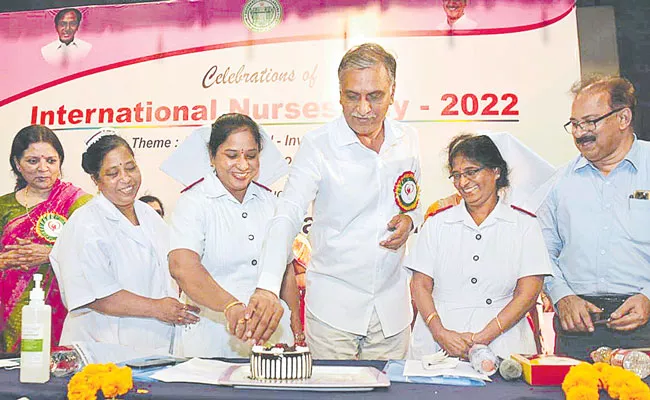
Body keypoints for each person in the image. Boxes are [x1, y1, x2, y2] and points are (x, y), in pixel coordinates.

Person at [243, 43, 422, 360]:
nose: (363, 108)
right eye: (352, 96)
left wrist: (411, 220)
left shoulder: (408, 140)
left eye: (375, 96)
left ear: (392, 92)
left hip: (393, 311)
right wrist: (268, 286)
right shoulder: (318, 145)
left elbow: (412, 199)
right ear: (339, 93)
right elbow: (287, 215)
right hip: (333, 314)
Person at [50, 130, 198, 354]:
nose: (126, 179)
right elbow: (96, 296)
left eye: (130, 168)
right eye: (112, 173)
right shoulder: (85, 224)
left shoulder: (150, 217)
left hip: (152, 349)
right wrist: (157, 308)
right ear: (95, 180)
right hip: (100, 351)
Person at [168, 113, 302, 357]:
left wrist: (296, 327)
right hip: (212, 340)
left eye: (251, 156)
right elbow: (182, 267)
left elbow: (286, 271)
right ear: (212, 156)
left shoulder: (271, 203)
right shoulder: (194, 203)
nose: (243, 165)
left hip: (273, 340)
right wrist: (230, 307)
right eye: (231, 155)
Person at [408, 134, 552, 359]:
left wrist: (483, 337)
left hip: (504, 341)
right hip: (438, 343)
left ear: (496, 171)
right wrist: (440, 333)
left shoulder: (524, 225)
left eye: (471, 172)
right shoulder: (437, 223)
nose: (463, 183)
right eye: (456, 175)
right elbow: (420, 285)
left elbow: (528, 292)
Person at [539, 76, 650, 360]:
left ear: (623, 117)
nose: (580, 133)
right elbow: (541, 251)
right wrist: (562, 296)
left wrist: (648, 297)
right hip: (577, 328)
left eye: (590, 122)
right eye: (574, 124)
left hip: (644, 326)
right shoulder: (558, 182)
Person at [0, 125, 91, 355]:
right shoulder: (4, 206)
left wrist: (51, 254)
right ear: (17, 164)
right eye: (32, 161)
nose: (43, 169)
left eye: (51, 160)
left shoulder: (80, 204)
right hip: (9, 314)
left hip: (64, 311)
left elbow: (98, 256)